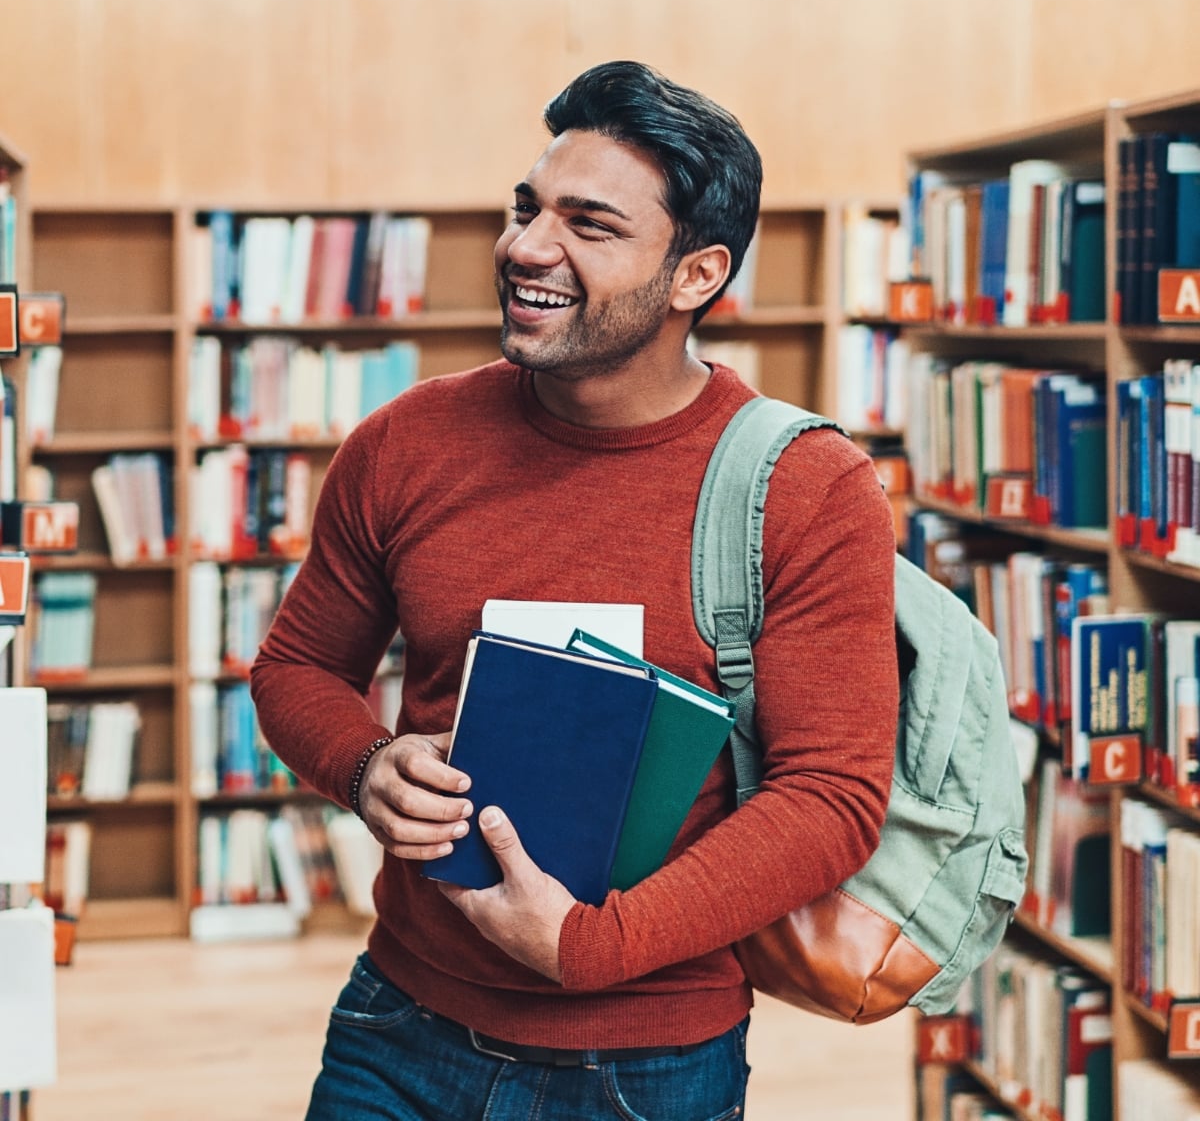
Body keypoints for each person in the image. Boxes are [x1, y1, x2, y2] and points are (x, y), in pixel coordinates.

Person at [250, 59, 899, 1120]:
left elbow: (831, 797)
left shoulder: (806, 488)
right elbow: (297, 667)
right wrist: (363, 765)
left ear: (696, 276)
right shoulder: (406, 442)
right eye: (526, 208)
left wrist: (592, 947)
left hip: (647, 1068)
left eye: (587, 224)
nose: (525, 248)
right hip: (398, 1030)